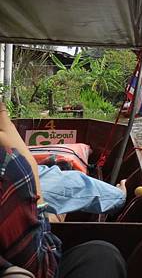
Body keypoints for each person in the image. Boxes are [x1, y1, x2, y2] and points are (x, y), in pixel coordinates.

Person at [0, 103, 126, 278]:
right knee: (104, 255)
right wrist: (31, 169)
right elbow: (42, 270)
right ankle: (119, 197)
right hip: (31, 257)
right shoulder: (9, 166)